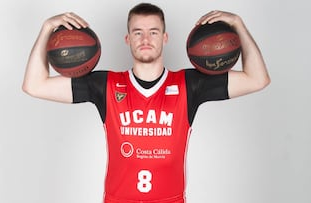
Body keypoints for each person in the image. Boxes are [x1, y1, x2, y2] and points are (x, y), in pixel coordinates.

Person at [22, 3, 270, 203]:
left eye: (153, 32)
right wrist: (47, 28)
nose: (145, 39)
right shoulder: (104, 85)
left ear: (165, 37)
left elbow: (257, 79)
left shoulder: (190, 84)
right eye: (137, 32)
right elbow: (34, 85)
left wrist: (238, 23)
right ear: (128, 39)